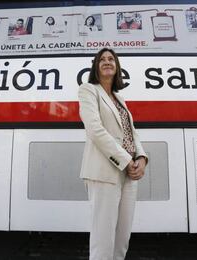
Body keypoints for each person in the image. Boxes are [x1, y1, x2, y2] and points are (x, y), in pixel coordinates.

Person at [78, 48, 148, 260]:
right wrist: (127, 160)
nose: (107, 62)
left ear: (117, 66)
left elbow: (131, 133)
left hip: (129, 174)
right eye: (102, 59)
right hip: (105, 171)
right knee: (103, 239)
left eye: (111, 59)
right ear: (96, 66)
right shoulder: (89, 90)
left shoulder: (119, 98)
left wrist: (142, 158)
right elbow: (95, 130)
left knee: (121, 239)